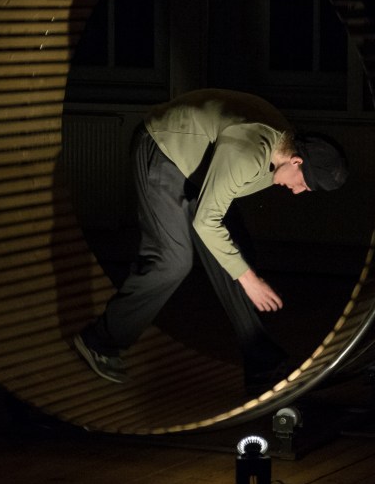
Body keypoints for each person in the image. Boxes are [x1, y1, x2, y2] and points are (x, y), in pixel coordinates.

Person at [72, 88, 348, 395]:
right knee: (172, 261)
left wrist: (244, 273)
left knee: (236, 258)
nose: (298, 192)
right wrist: (249, 280)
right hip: (163, 150)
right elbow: (206, 220)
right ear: (295, 162)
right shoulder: (248, 151)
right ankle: (99, 341)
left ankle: (262, 362)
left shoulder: (278, 148)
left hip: (198, 167)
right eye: (305, 186)